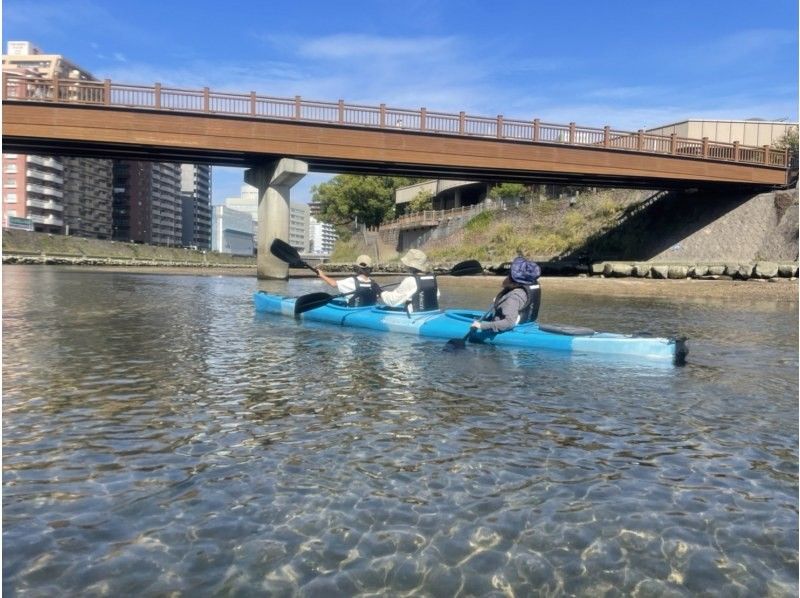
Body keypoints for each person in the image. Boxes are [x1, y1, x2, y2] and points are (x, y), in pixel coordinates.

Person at [470, 256, 541, 332]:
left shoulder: (513, 298)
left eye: (509, 274)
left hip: (509, 329)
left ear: (513, 280)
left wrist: (481, 325)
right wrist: (501, 301)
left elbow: (509, 323)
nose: (507, 276)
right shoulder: (526, 288)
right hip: (526, 325)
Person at [316, 254, 381, 307]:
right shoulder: (374, 284)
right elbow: (378, 296)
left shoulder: (351, 281)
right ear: (370, 269)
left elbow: (333, 284)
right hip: (371, 311)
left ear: (357, 268)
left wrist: (322, 275)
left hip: (355, 314)